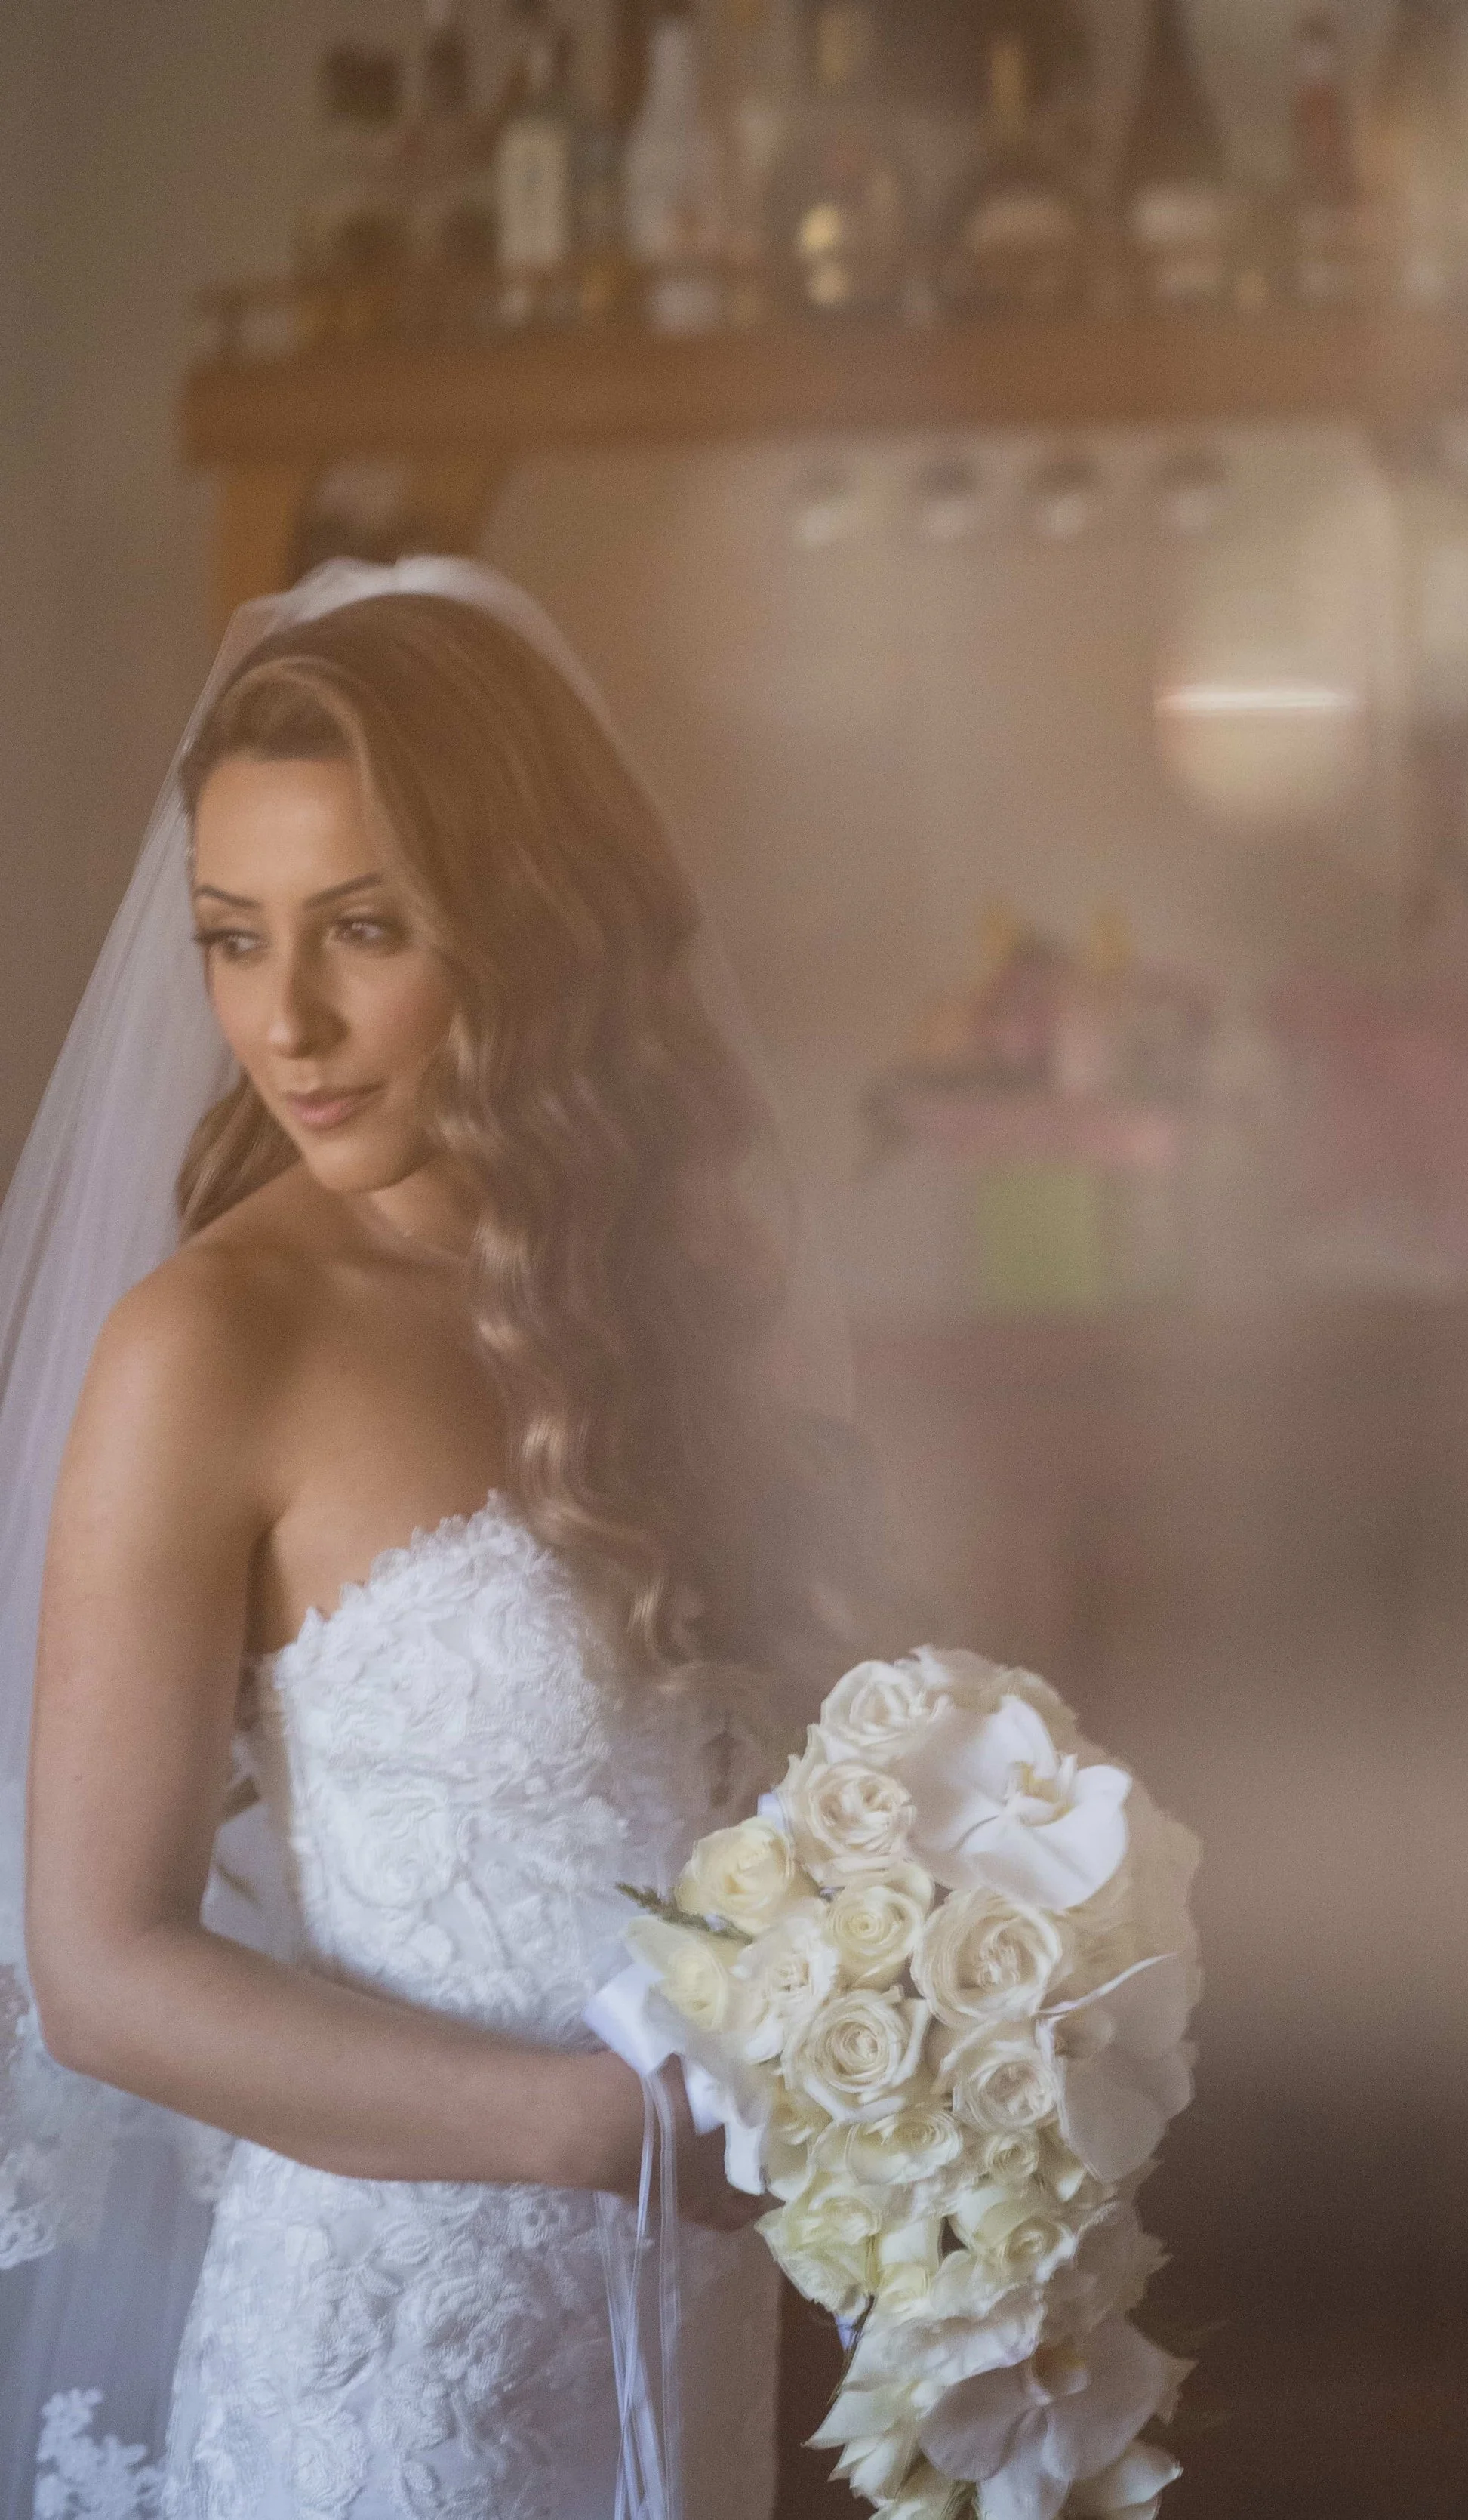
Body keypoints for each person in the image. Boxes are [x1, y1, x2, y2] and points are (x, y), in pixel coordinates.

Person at [0, 562, 879, 2518]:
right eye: (234, 939)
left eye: (362, 931)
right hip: (390, 2376)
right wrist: (582, 2133)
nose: (282, 1021)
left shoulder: (681, 1278)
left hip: (681, 2312)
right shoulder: (212, 1345)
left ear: (526, 919)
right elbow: (103, 1966)